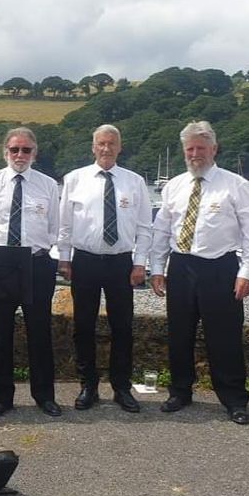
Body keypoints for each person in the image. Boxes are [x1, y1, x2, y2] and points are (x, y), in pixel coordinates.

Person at [150, 120, 249, 425]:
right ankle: (180, 391)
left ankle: (234, 398)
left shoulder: (235, 184)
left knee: (225, 338)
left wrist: (248, 272)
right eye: (190, 149)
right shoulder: (174, 185)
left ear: (213, 148)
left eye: (200, 148)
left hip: (220, 267)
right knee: (178, 335)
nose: (195, 154)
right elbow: (161, 230)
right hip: (182, 265)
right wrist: (157, 268)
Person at [58, 124, 152, 413]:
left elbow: (145, 227)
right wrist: (64, 258)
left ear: (120, 147)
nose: (106, 148)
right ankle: (89, 385)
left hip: (121, 262)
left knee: (122, 327)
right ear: (93, 146)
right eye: (101, 143)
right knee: (83, 326)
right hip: (85, 260)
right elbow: (65, 224)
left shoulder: (134, 182)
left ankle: (121, 387)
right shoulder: (74, 180)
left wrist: (140, 263)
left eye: (111, 143)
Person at [0, 127, 62, 418]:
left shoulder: (48, 186)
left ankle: (44, 396)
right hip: (0, 266)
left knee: (40, 332)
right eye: (14, 150)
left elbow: (55, 228)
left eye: (26, 150)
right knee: (0, 334)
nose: (20, 155)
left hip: (36, 263)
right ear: (5, 152)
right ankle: (1, 398)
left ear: (35, 153)